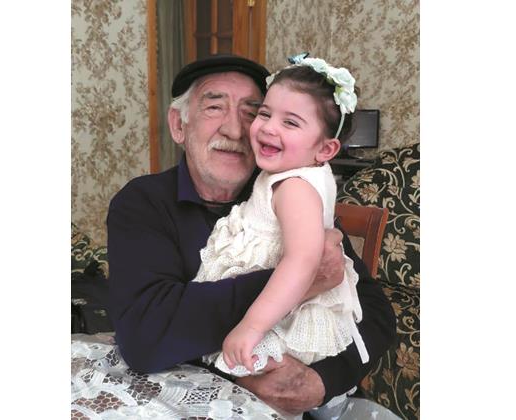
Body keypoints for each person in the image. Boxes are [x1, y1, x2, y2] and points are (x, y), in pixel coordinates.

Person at [106, 54, 396, 416]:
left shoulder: (290, 193)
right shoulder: (142, 203)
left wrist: (321, 382)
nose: (235, 130)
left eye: (250, 111)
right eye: (215, 107)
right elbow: (145, 336)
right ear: (179, 125)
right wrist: (301, 285)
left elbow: (375, 311)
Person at [193, 56, 369, 382]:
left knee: (247, 382)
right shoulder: (295, 172)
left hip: (280, 321)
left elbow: (302, 261)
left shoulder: (294, 187)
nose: (269, 127)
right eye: (264, 113)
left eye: (290, 123)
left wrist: (252, 326)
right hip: (273, 312)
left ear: (325, 150)